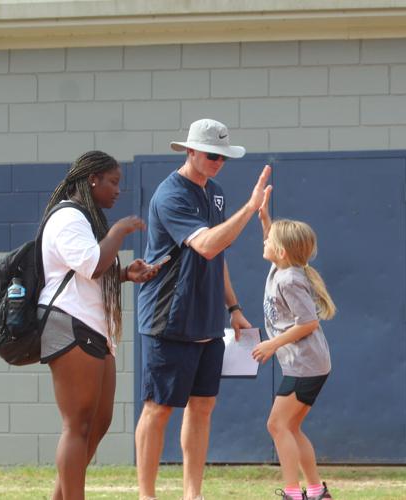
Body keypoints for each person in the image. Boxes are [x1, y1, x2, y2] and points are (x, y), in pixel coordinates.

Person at [134, 118, 272, 500]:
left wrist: (234, 307)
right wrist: (250, 209)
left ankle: (192, 495)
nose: (218, 162)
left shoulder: (216, 194)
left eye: (224, 156)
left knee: (203, 407)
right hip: (169, 319)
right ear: (190, 151)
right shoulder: (170, 195)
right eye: (212, 155)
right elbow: (207, 245)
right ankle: (147, 495)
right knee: (158, 408)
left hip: (209, 320)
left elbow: (218, 258)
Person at [38, 150, 160, 500]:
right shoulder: (68, 218)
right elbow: (91, 265)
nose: (118, 190)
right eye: (113, 182)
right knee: (77, 425)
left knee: (99, 422)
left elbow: (88, 271)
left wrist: (123, 274)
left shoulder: (85, 220)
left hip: (93, 327)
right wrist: (120, 231)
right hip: (69, 324)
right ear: (93, 180)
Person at [252, 198, 336, 500]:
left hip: (306, 364)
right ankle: (315, 491)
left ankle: (293, 492)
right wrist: (265, 219)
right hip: (306, 364)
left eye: (270, 240)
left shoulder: (289, 279)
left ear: (282, 252)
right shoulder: (281, 267)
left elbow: (308, 323)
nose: (265, 242)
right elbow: (273, 242)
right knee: (291, 427)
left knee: (276, 425)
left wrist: (273, 344)